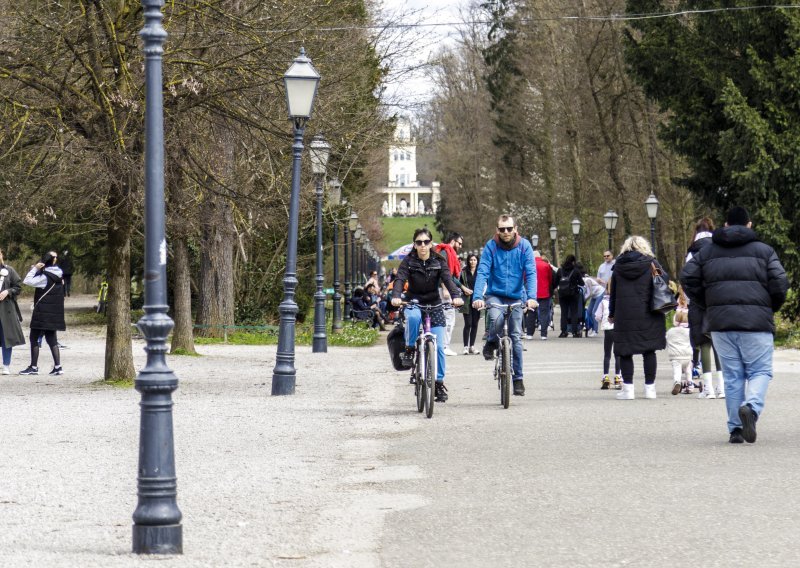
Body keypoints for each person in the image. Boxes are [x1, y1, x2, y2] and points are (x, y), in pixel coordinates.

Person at [681, 206, 788, 444]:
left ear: (726, 226)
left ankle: (736, 429)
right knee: (760, 371)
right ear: (749, 225)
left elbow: (687, 276)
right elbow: (780, 282)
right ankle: (751, 406)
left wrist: (707, 302)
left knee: (732, 375)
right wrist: (770, 306)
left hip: (721, 323)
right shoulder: (764, 251)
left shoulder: (707, 252)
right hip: (756, 323)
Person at [391, 228, 463, 402]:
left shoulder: (439, 261)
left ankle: (438, 382)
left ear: (431, 244)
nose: (422, 245)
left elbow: (447, 279)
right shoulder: (408, 261)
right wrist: (395, 296)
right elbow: (400, 279)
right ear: (414, 245)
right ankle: (409, 349)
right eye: (418, 242)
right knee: (414, 318)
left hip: (434, 304)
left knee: (438, 347)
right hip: (413, 301)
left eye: (425, 242)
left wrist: (456, 296)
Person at [472, 215, 537, 396]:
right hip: (495, 295)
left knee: (516, 337)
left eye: (509, 229)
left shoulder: (524, 246)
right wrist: (477, 296)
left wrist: (531, 297)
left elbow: (530, 272)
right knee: (496, 319)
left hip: (517, 296)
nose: (506, 232)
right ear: (497, 230)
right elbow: (483, 271)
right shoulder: (491, 247)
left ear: (515, 228)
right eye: (502, 229)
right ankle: (492, 341)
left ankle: (518, 380)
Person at [608, 236, 667, 400]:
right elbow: (665, 280)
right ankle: (650, 389)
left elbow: (614, 292)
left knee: (625, 351)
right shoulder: (652, 263)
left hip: (624, 313)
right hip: (649, 312)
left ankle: (628, 389)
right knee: (649, 350)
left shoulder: (618, 266)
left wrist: (612, 313)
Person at [684, 218, 725, 399]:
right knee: (719, 343)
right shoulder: (720, 248)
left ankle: (707, 388)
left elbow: (687, 277)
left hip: (699, 300)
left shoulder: (692, 251)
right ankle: (722, 388)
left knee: (704, 343)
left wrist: (691, 297)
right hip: (718, 299)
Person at [21, 251, 65, 376]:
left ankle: (33, 367)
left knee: (34, 338)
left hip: (42, 313)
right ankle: (58, 366)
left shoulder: (45, 277)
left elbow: (27, 281)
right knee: (52, 340)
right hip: (53, 313)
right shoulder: (59, 275)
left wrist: (35, 269)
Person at [435, 232, 464, 356]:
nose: (460, 246)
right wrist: (445, 288)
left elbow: (450, 276)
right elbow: (442, 272)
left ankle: (443, 344)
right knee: (448, 317)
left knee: (448, 317)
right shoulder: (445, 253)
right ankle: (444, 345)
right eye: (459, 243)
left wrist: (461, 286)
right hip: (443, 290)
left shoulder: (447, 253)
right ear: (453, 241)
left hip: (445, 288)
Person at [0, 249, 25, 375]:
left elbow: (18, 287)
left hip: (6, 310)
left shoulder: (9, 270)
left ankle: (6, 365)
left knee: (6, 338)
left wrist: (7, 292)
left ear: (1, 255)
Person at [667, 289, 694, 395]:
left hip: (676, 357)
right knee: (688, 370)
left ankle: (677, 382)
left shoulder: (671, 332)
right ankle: (690, 384)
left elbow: (667, 339)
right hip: (687, 355)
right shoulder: (689, 331)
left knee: (677, 370)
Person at [595, 284, 621, 389]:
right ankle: (618, 378)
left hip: (607, 330)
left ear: (606, 290)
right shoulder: (620, 301)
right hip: (618, 329)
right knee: (618, 354)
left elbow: (597, 316)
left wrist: (603, 320)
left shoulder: (603, 302)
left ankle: (605, 377)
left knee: (607, 354)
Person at [555, 255, 583, 337]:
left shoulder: (560, 270)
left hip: (562, 295)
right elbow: (582, 283)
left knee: (564, 313)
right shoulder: (576, 271)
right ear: (573, 262)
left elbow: (555, 282)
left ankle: (563, 331)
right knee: (574, 312)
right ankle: (575, 331)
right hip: (573, 294)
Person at [530, 252, 555, 340]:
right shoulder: (546, 265)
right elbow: (550, 278)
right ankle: (543, 334)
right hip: (544, 292)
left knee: (531, 313)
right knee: (544, 313)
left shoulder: (530, 265)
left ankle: (529, 334)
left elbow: (525, 278)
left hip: (532, 293)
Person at [459, 253, 479, 354]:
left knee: (475, 324)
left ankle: (472, 346)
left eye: (474, 260)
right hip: (467, 300)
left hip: (477, 300)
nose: (473, 262)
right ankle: (465, 346)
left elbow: (485, 284)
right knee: (468, 323)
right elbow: (459, 284)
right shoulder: (463, 272)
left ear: (477, 261)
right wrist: (464, 290)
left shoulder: (480, 272)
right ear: (468, 261)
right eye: (471, 260)